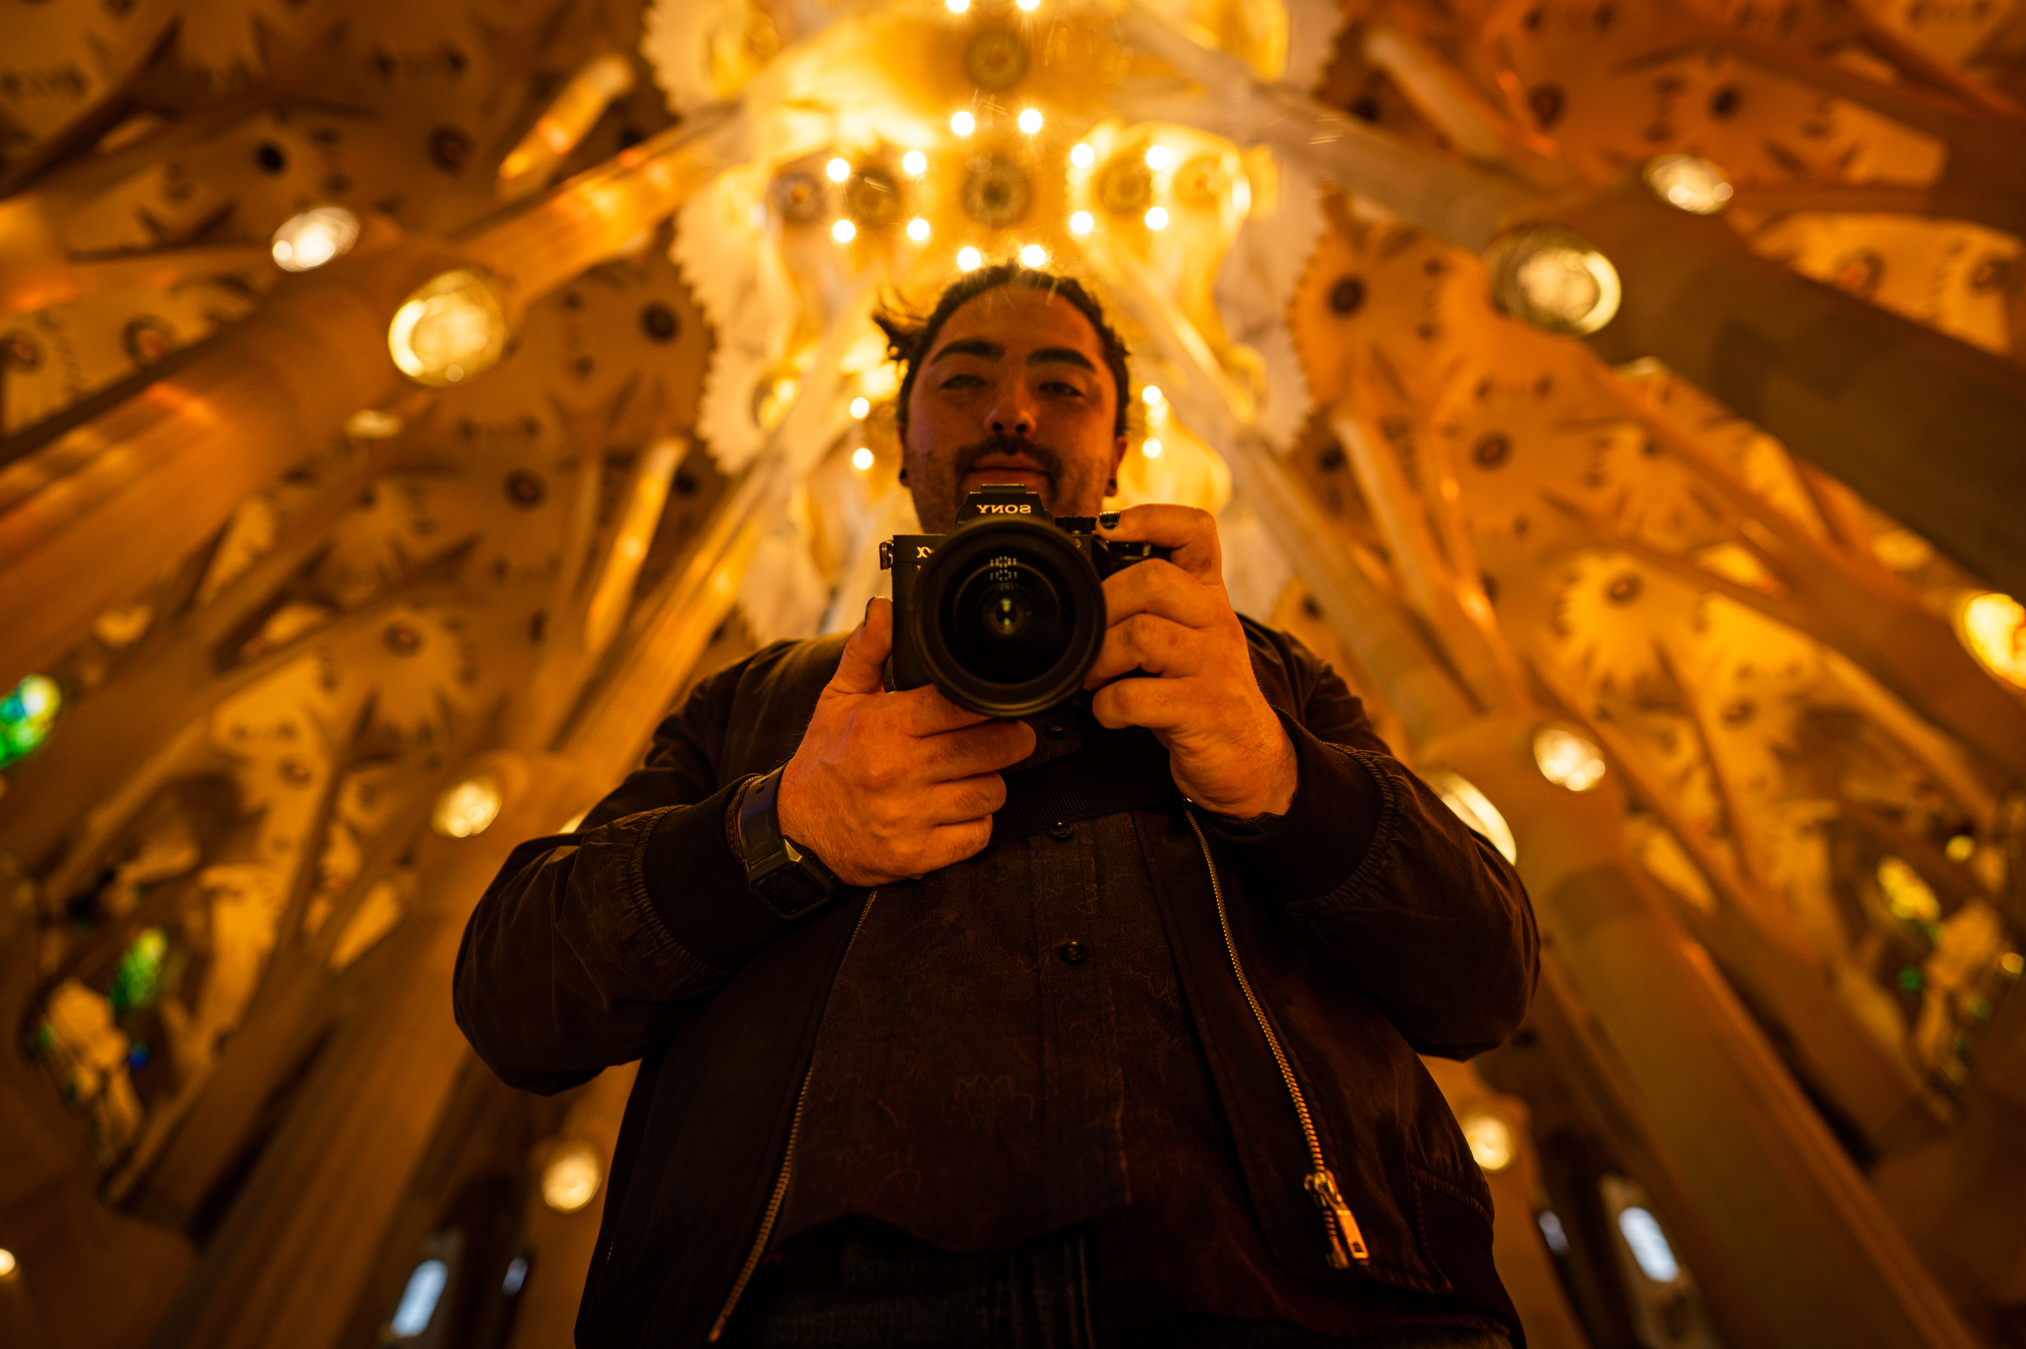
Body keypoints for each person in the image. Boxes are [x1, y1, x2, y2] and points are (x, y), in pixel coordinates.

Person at [455, 263, 1539, 1349]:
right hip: (820, 1310)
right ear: (901, 438)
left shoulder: (1258, 677)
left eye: (1063, 388)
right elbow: (515, 993)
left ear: (1119, 448)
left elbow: (1484, 982)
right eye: (964, 381)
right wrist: (781, 830)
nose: (1013, 411)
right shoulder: (757, 703)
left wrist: (1281, 777)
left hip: (1297, 1300)